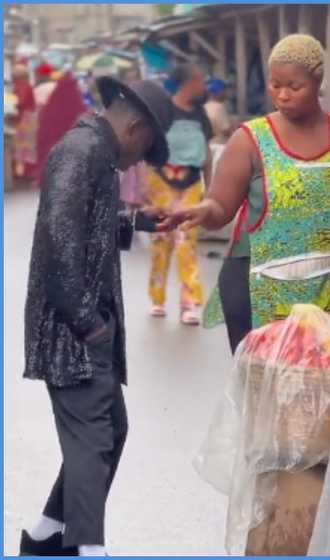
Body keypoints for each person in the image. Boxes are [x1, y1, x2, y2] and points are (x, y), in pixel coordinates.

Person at [21, 77, 173, 557]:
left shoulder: (96, 154)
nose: (140, 162)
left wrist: (136, 223)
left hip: (85, 324)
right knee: (94, 438)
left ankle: (48, 534)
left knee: (110, 429)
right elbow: (59, 243)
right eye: (146, 148)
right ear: (137, 128)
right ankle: (87, 547)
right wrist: (88, 323)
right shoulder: (81, 152)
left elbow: (85, 225)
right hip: (73, 329)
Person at [162, 34, 330, 353]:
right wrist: (204, 210)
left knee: (326, 393)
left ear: (318, 81)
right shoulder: (250, 139)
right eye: (275, 85)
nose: (282, 95)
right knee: (267, 393)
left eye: (294, 86)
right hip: (258, 288)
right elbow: (220, 207)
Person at [145, 63, 212, 324]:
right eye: (201, 81)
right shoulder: (163, 112)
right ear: (190, 82)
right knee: (162, 240)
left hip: (192, 183)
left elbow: (206, 154)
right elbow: (148, 148)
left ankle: (189, 303)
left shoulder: (200, 116)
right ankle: (157, 299)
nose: (204, 87)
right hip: (161, 181)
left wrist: (210, 187)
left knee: (186, 241)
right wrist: (144, 185)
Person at [35, 71, 88, 184]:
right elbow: (82, 111)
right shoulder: (73, 94)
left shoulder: (54, 98)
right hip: (67, 135)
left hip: (53, 137)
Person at [13, 65, 38, 180]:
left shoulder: (22, 86)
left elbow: (21, 102)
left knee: (24, 146)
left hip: (25, 117)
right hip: (29, 117)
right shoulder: (27, 85)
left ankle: (24, 173)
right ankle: (26, 172)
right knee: (28, 145)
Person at [204, 78, 235, 144]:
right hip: (219, 146)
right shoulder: (219, 108)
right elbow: (226, 130)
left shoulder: (204, 107)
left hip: (207, 145)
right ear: (218, 92)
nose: (226, 93)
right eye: (224, 90)